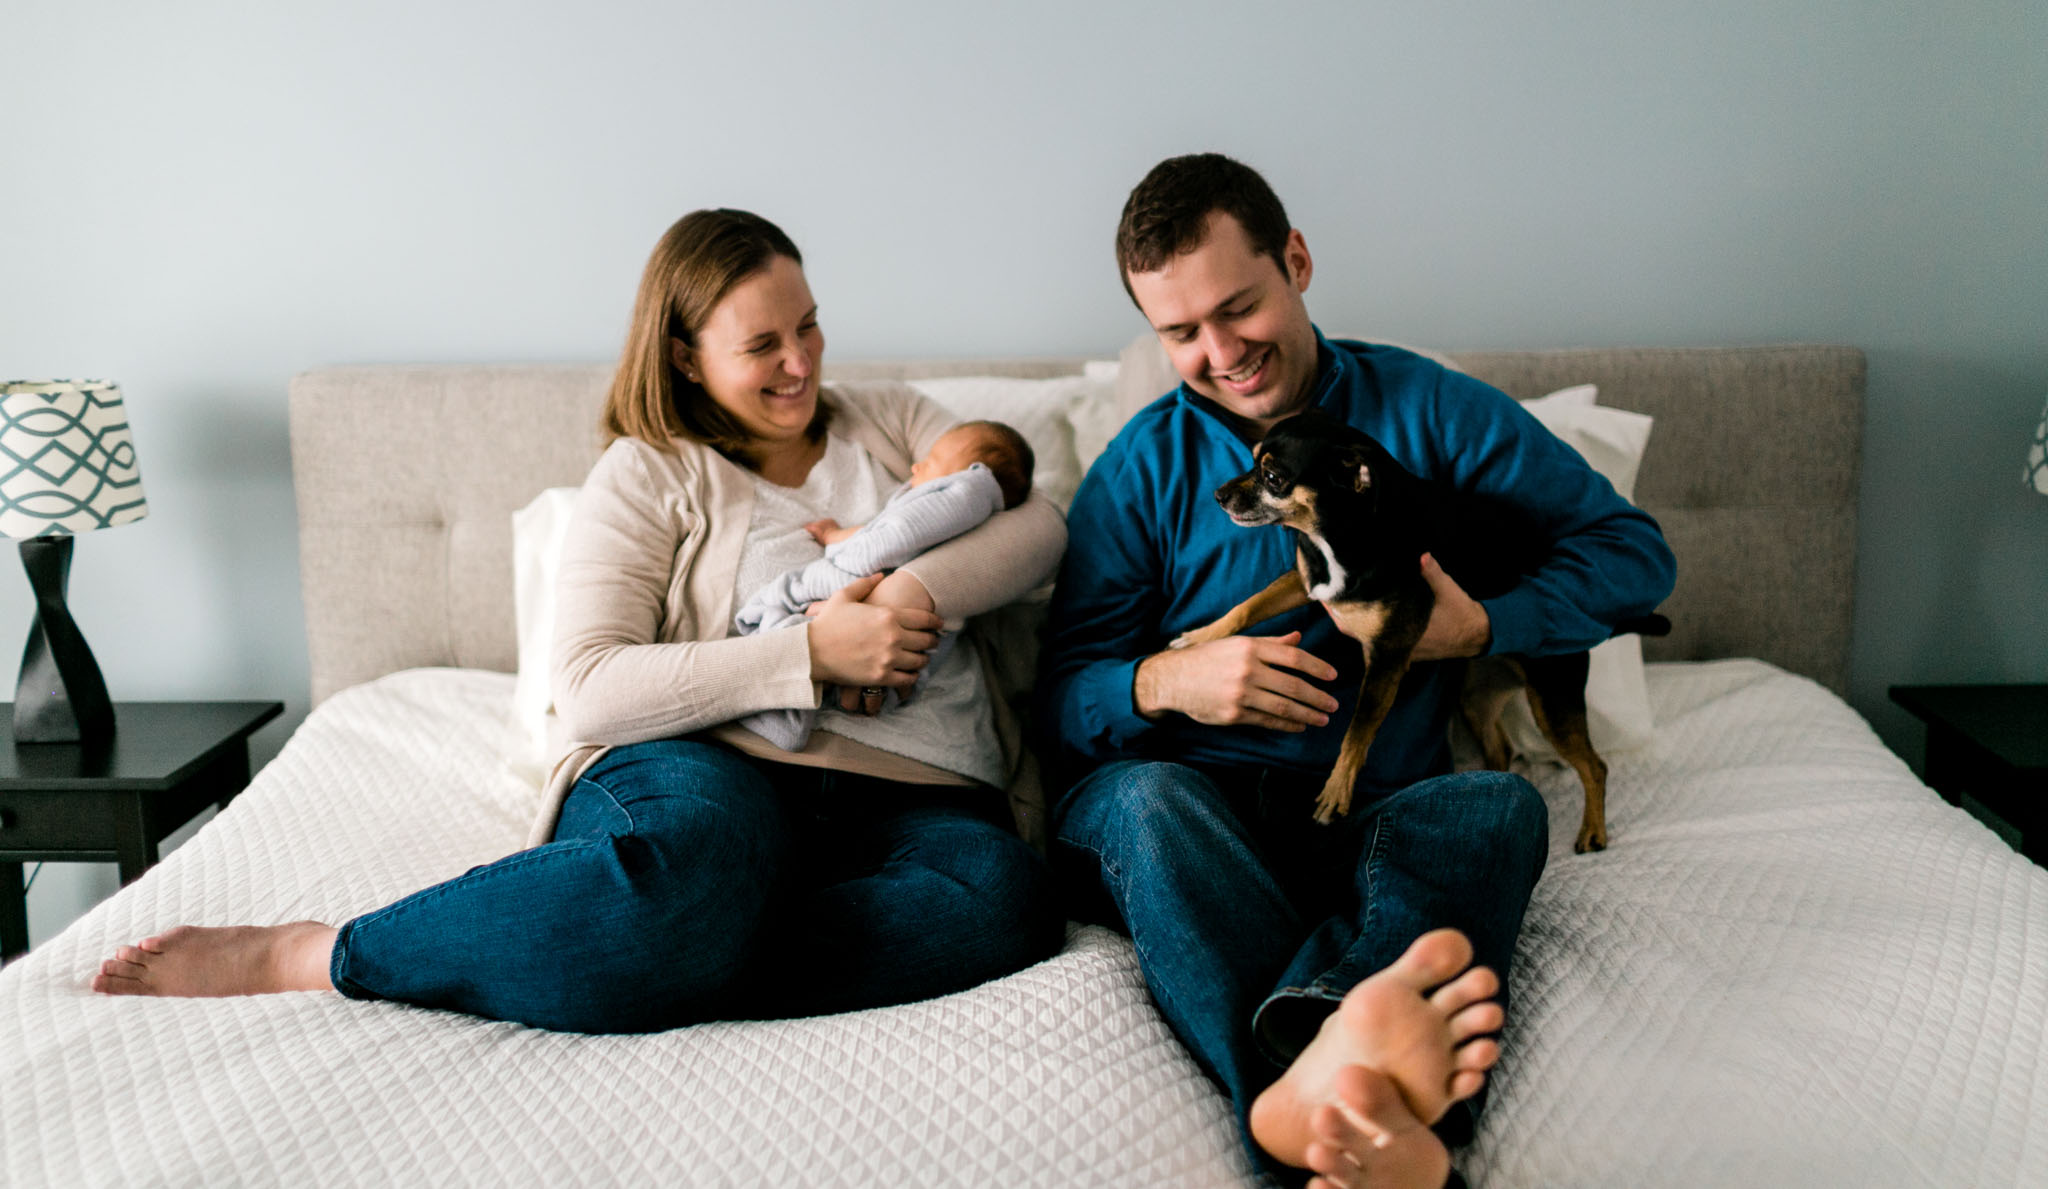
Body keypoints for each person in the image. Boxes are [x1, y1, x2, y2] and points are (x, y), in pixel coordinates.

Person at [93, 208, 1066, 1033]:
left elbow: (1037, 525)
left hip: (915, 797)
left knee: (1004, 907)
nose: (800, 363)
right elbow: (589, 683)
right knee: (685, 875)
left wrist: (908, 596)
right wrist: (805, 654)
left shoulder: (890, 421)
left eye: (808, 328)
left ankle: (679, 944)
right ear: (685, 356)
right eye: (761, 345)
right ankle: (324, 951)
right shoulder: (650, 473)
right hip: (715, 770)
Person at [1037, 154, 1677, 1187]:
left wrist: (1483, 626)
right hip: (1196, 808)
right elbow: (1062, 699)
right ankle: (1356, 1113)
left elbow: (1631, 555)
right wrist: (1161, 683)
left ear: (1294, 260)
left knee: (1492, 809)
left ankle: (1323, 1079)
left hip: (1376, 811)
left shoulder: (1433, 412)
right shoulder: (1139, 470)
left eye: (1236, 308)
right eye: (1178, 333)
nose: (1217, 352)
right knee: (1141, 803)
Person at [735, 418, 1035, 750]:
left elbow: (888, 542)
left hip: (876, 600)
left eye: (932, 461)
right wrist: (837, 535)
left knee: (790, 598)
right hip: (900, 649)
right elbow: (886, 532)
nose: (916, 466)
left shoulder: (968, 492)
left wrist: (844, 560)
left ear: (974, 472)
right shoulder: (949, 509)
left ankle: (780, 689)